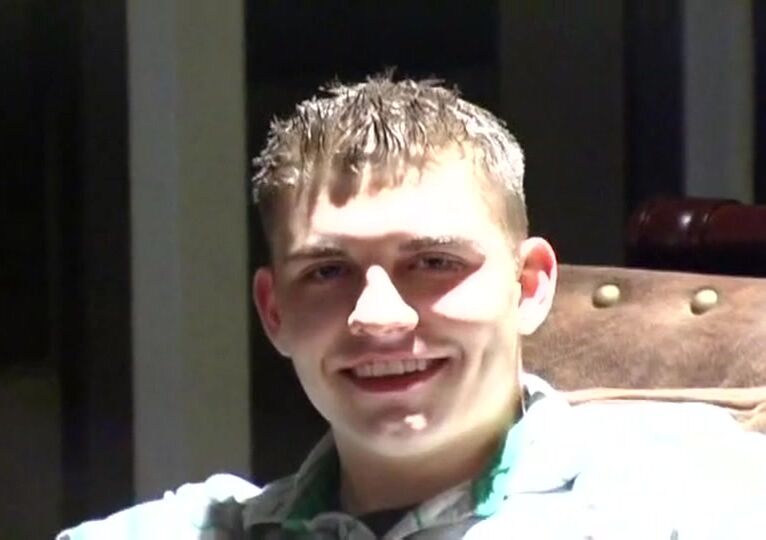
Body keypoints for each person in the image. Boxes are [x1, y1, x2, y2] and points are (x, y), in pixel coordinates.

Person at [59, 76, 766, 539]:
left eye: (433, 263)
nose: (378, 316)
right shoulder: (196, 528)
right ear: (273, 312)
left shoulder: (693, 497)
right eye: (327, 271)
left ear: (528, 286)